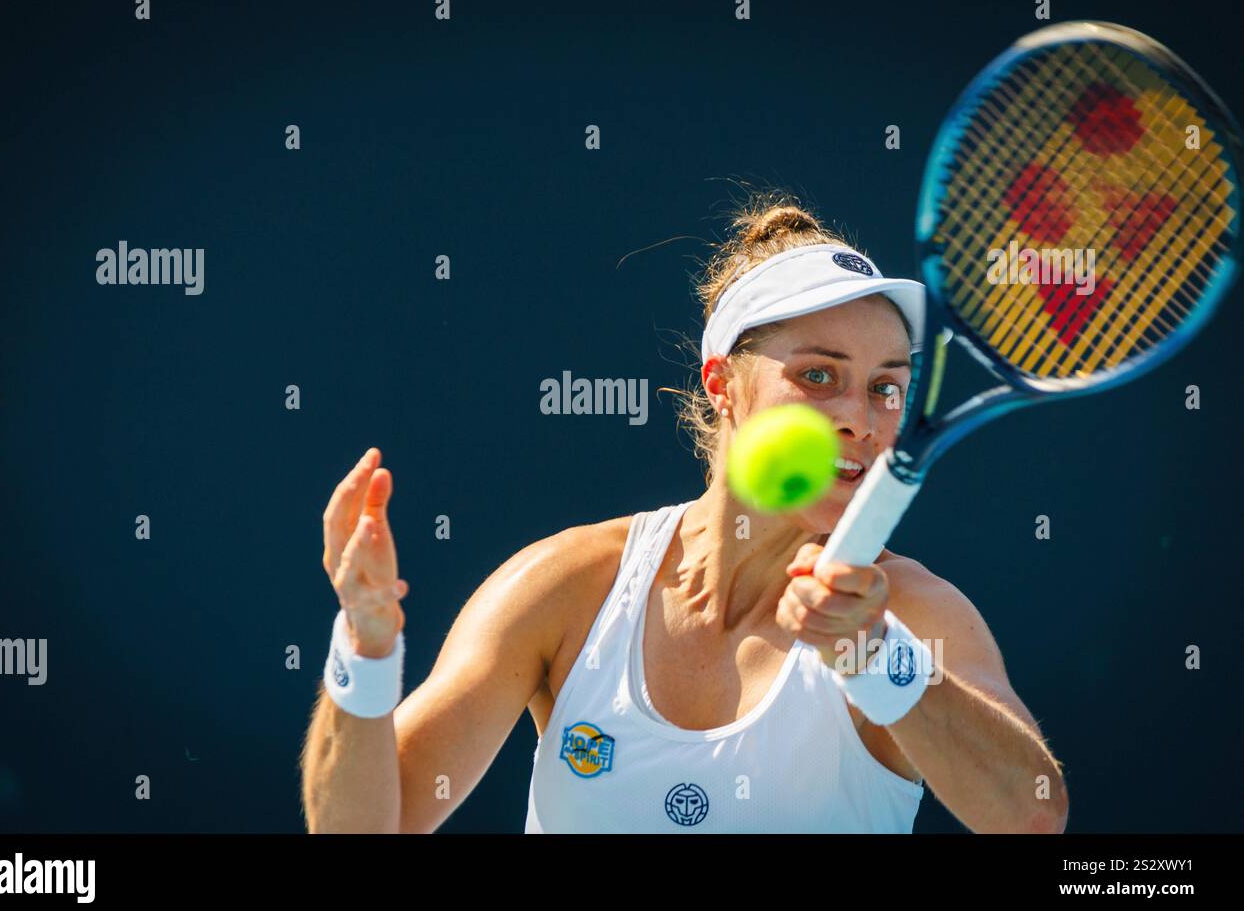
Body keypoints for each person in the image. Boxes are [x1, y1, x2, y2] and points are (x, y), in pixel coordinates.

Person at [300, 195, 1069, 833]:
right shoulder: (568, 582)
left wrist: (875, 656)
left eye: (886, 387)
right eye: (818, 375)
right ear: (721, 384)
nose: (860, 420)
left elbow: (1032, 818)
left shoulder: (914, 614)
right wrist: (366, 649)